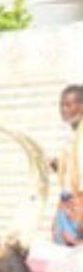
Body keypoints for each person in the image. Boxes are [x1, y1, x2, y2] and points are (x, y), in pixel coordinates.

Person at [52, 84, 83, 246]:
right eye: (62, 105)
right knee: (64, 251)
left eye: (68, 104)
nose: (64, 110)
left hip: (78, 203)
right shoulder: (71, 134)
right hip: (67, 201)